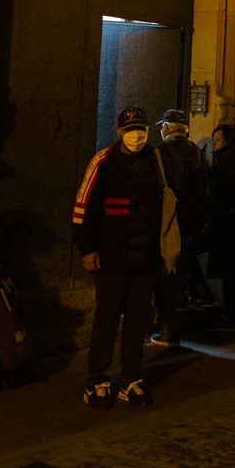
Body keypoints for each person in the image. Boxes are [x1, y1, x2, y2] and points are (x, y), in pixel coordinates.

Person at [72, 107, 163, 408]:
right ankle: (97, 379)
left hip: (145, 256)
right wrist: (87, 248)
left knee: (138, 320)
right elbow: (83, 204)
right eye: (131, 129)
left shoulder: (155, 160)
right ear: (120, 132)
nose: (137, 135)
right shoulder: (104, 161)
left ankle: (131, 378)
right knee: (107, 318)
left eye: (142, 129)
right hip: (112, 256)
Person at [151, 108, 207, 347]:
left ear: (167, 127)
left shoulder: (160, 151)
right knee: (181, 271)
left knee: (164, 272)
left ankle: (166, 328)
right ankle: (177, 322)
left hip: (168, 221)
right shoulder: (197, 151)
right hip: (191, 223)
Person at [198, 123, 235, 327]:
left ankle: (227, 312)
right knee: (229, 271)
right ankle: (230, 313)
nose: (214, 145)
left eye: (218, 140)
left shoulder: (227, 163)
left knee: (225, 270)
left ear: (228, 141)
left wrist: (224, 213)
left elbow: (222, 194)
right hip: (230, 224)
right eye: (213, 141)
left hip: (224, 224)